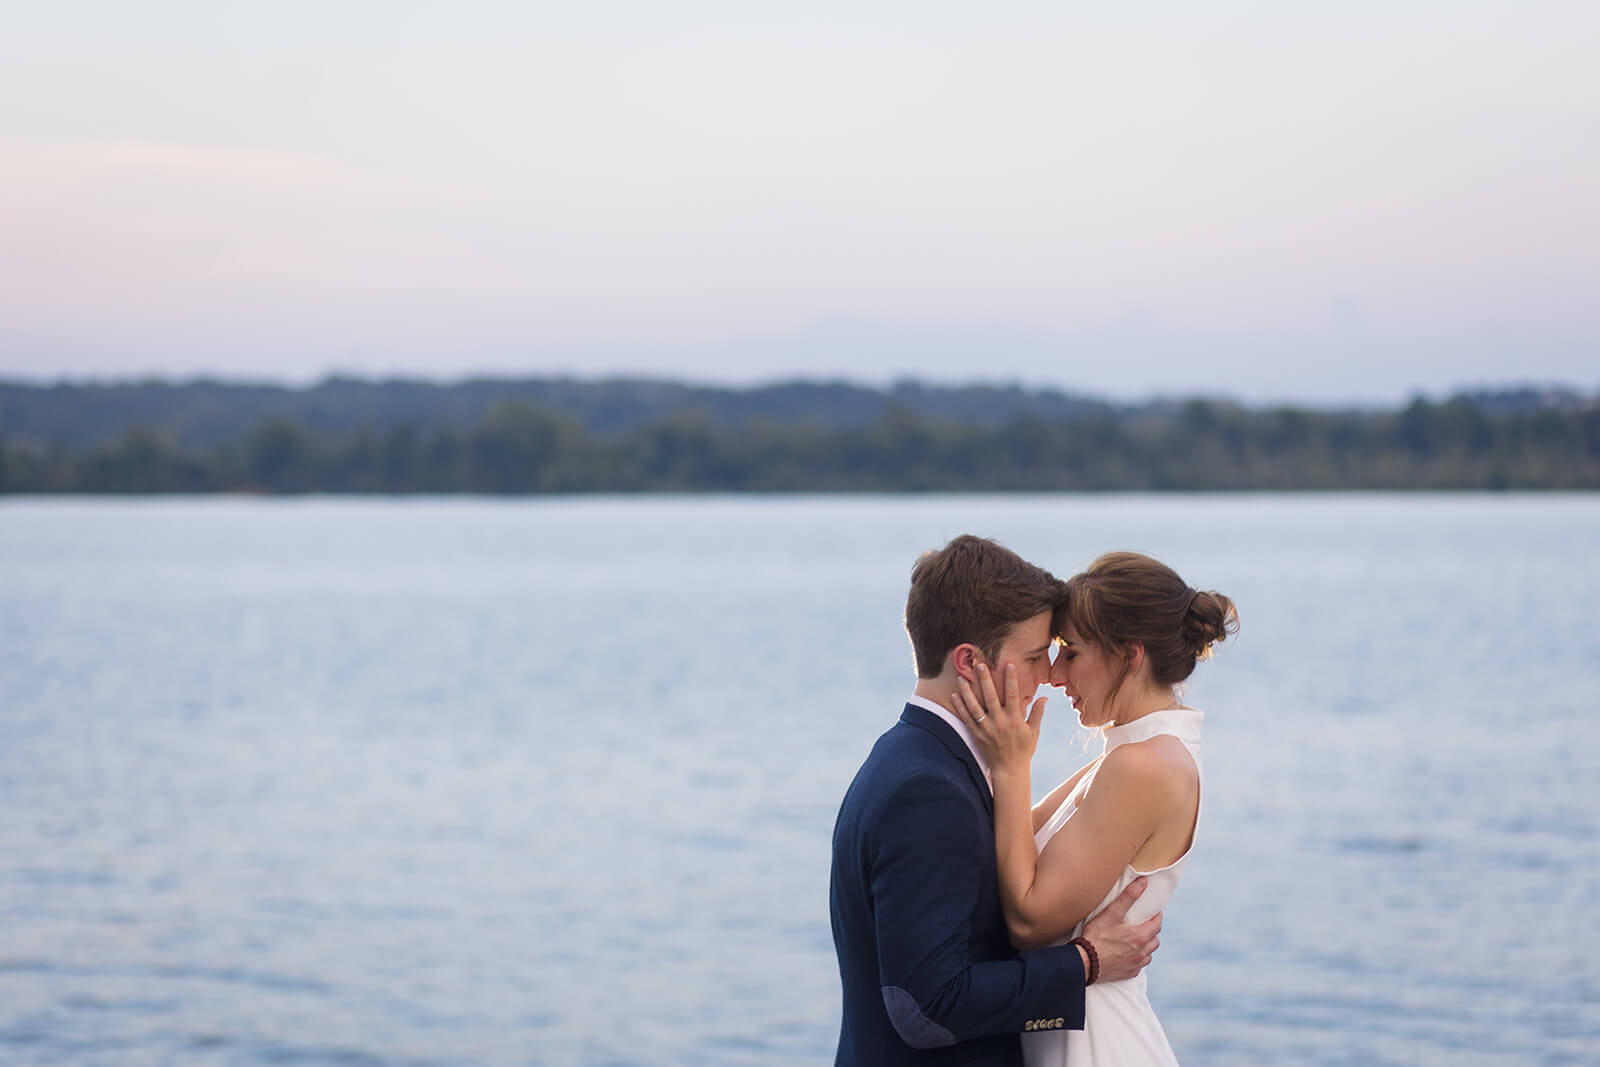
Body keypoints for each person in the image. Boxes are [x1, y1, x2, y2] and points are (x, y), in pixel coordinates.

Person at [830, 535, 1163, 1066]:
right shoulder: (927, 792)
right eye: (1033, 657)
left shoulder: (916, 759)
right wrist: (1085, 964)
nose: (1048, 678)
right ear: (968, 661)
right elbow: (927, 1007)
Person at [949, 550, 1238, 1066]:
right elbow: (1002, 844)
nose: (1056, 676)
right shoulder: (1129, 754)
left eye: (1072, 653)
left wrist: (1014, 768)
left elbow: (1031, 921)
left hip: (1098, 1047)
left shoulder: (1144, 765)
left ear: (1130, 655)